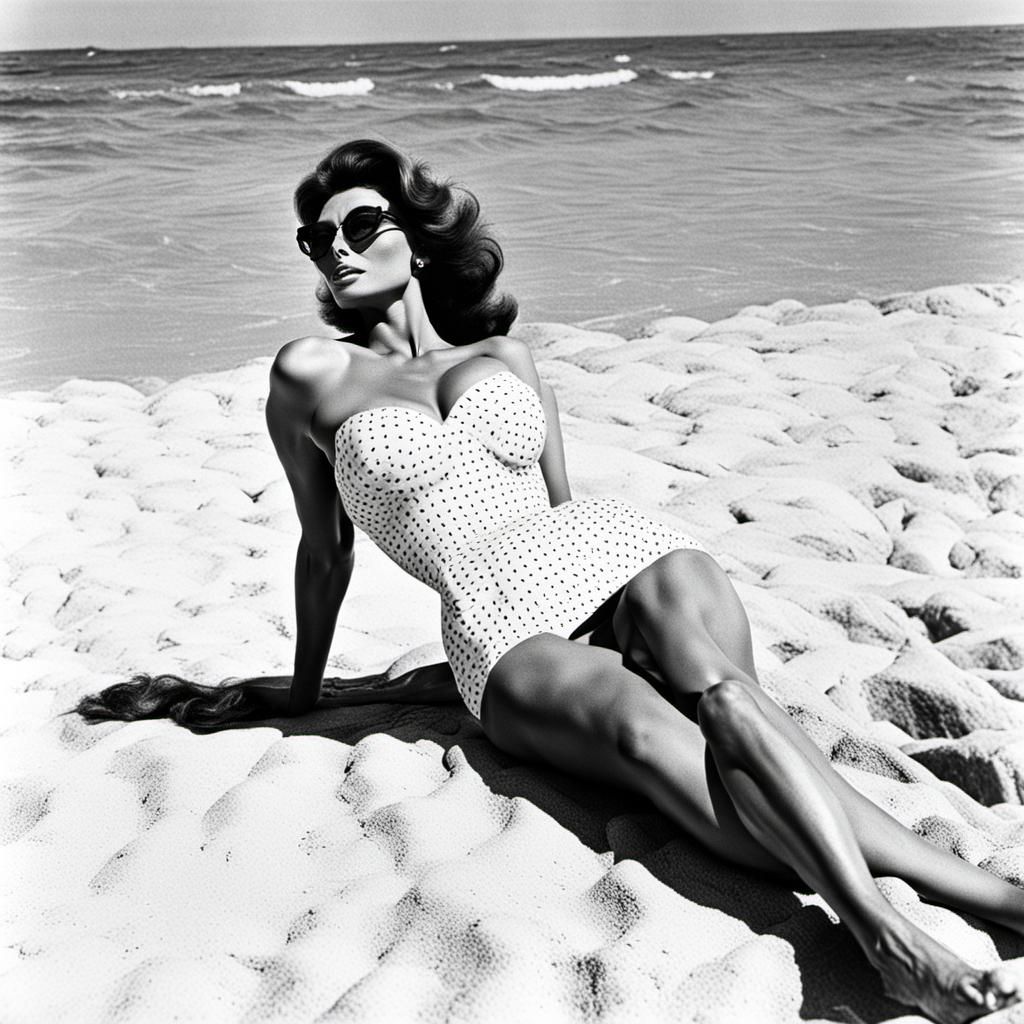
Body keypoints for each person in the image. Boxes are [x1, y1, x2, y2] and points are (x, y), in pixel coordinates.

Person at [78, 139, 1023, 1023]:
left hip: (609, 550)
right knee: (663, 750)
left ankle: (938, 916)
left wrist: (618, 612)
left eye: (361, 225)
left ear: (418, 235)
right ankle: (910, 924)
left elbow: (563, 502)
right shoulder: (310, 375)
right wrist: (306, 686)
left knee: (730, 699)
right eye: (317, 237)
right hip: (497, 614)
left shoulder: (507, 358)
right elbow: (324, 553)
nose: (336, 248)